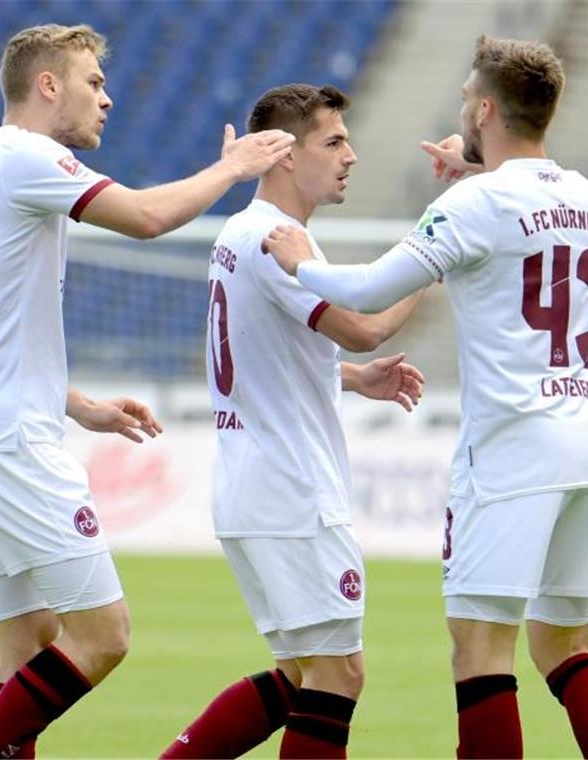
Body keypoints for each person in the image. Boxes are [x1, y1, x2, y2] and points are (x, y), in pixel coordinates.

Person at [0, 23, 294, 759]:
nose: (108, 98)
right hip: (9, 444)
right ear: (48, 85)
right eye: (93, 82)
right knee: (104, 635)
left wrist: (77, 402)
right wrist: (233, 168)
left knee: (26, 647)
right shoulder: (32, 158)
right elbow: (149, 218)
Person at [265, 36, 588, 759]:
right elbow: (525, 214)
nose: (461, 105)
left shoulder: (477, 202)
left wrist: (302, 263)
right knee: (565, 641)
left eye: (468, 96)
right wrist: (474, 171)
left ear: (487, 107)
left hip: (512, 448)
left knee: (479, 648)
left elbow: (371, 289)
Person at [158, 83, 426, 760]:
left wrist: (352, 378)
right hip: (291, 491)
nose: (351, 156)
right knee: (338, 674)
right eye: (333, 142)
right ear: (282, 154)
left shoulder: (241, 234)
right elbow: (364, 327)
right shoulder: (280, 241)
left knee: (301, 675)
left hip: (256, 484)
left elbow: (265, 357)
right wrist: (431, 266)